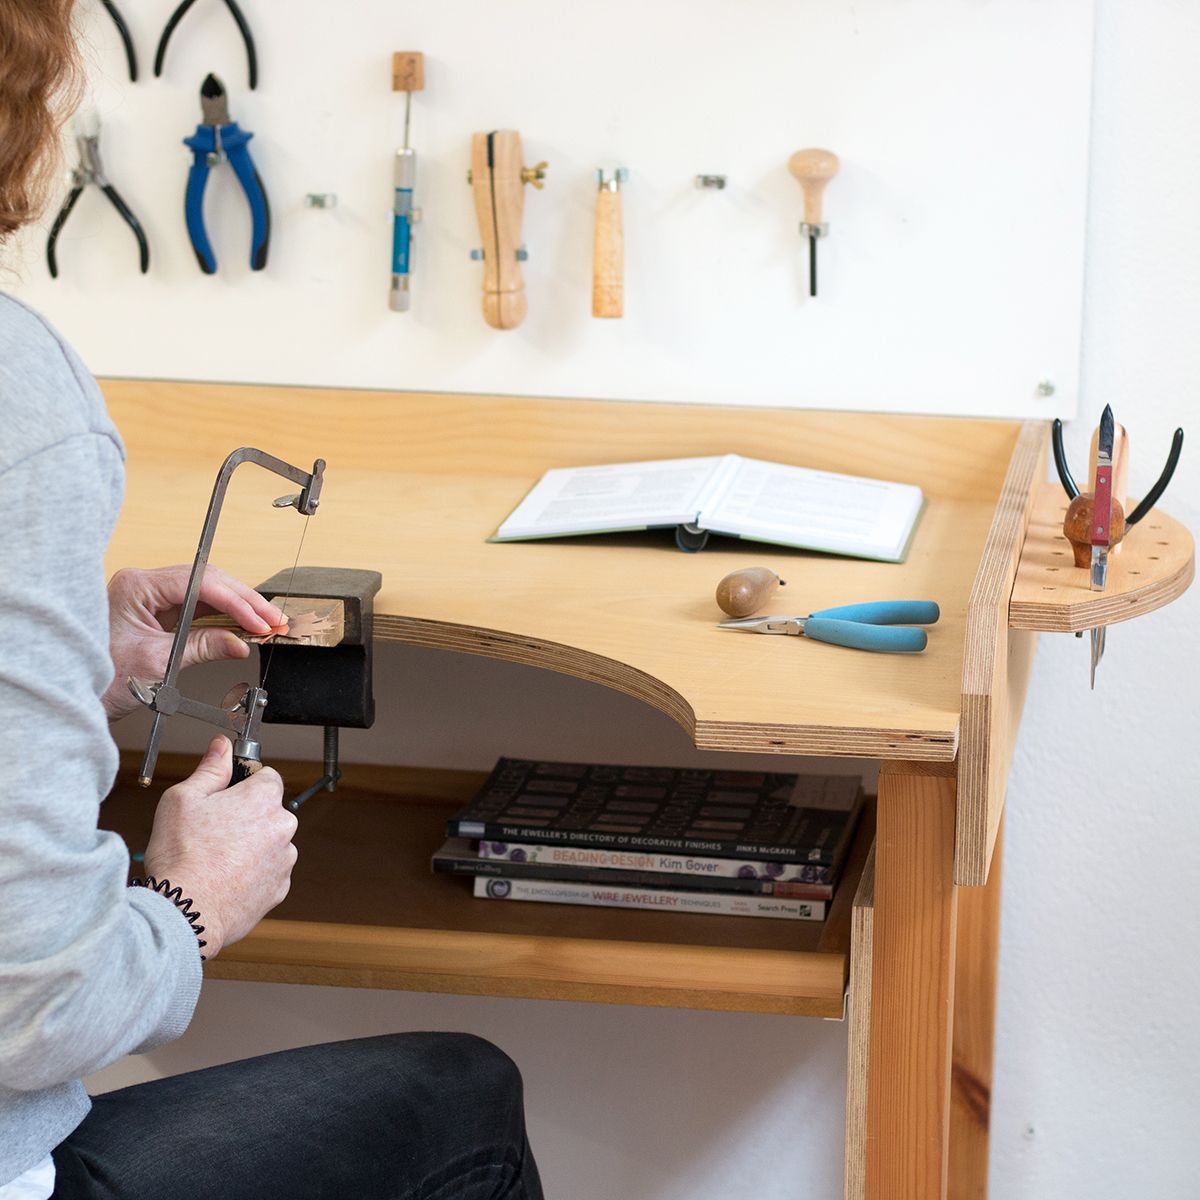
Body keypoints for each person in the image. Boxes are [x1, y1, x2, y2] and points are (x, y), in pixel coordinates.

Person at [0, 5, 544, 1197]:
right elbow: (41, 1010)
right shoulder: (17, 399)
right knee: (462, 1096)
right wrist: (190, 903)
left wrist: (48, 666)